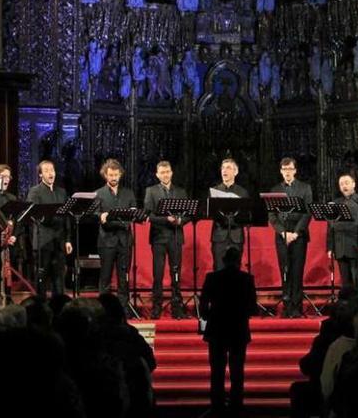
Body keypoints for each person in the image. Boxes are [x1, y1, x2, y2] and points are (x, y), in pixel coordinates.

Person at [200, 246, 258, 415]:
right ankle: (236, 406)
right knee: (237, 371)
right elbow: (252, 308)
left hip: (216, 329)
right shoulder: (247, 279)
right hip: (238, 330)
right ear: (240, 262)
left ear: (223, 261)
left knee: (217, 371)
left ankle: (217, 406)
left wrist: (210, 316)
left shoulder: (212, 278)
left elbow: (203, 306)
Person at [143, 160, 189, 319]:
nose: (165, 174)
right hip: (158, 238)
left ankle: (177, 307)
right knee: (158, 274)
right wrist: (166, 220)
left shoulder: (181, 191)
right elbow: (148, 215)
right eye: (162, 172)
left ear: (171, 172)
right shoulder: (151, 191)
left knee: (175, 272)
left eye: (167, 171)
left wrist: (180, 221)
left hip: (176, 236)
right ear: (157, 174)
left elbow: (188, 214)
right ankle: (157, 307)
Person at [268, 157, 313, 318]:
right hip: (282, 235)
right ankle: (287, 305)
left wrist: (295, 233)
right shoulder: (274, 190)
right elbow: (272, 216)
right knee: (285, 270)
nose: (287, 172)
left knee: (297, 270)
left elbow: (307, 213)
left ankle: (297, 306)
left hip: (299, 235)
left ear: (295, 170)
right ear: (281, 171)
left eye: (290, 169)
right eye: (284, 169)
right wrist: (283, 232)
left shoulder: (305, 188)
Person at [94, 159, 137, 311]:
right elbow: (95, 214)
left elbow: (133, 213)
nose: (113, 177)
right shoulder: (98, 193)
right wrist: (101, 216)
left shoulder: (128, 192)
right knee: (105, 277)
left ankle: (123, 308)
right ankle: (103, 309)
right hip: (106, 241)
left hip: (125, 240)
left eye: (116, 175)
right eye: (110, 175)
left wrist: (112, 218)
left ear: (120, 175)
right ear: (105, 175)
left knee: (123, 277)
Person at [25, 160, 73, 296]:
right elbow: (34, 215)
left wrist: (68, 239)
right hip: (43, 241)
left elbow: (67, 217)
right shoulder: (35, 191)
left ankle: (58, 308)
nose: (50, 173)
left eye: (52, 170)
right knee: (42, 278)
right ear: (40, 175)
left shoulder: (62, 192)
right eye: (46, 170)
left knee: (59, 278)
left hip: (59, 242)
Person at [326, 173, 358, 295]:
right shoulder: (336, 203)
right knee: (345, 281)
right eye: (341, 184)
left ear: (353, 184)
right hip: (340, 246)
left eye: (346, 183)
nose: (344, 186)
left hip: (356, 245)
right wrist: (330, 247)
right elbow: (330, 228)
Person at [209, 159, 249, 271]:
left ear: (235, 172)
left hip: (236, 236)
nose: (224, 171)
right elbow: (211, 213)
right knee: (218, 268)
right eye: (223, 168)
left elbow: (245, 215)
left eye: (228, 168)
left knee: (235, 269)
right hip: (219, 236)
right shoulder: (214, 191)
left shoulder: (242, 192)